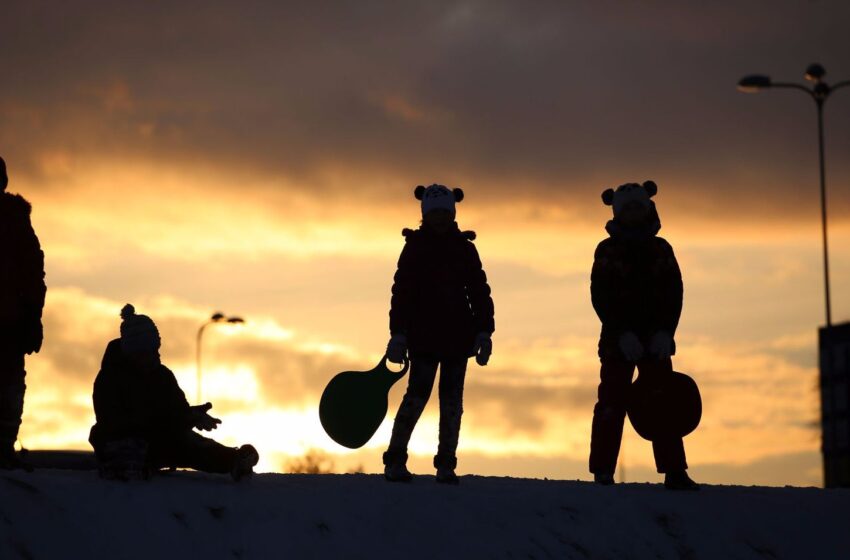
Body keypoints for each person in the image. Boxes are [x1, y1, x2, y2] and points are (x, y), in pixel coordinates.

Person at [589, 180, 698, 491]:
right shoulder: (607, 250)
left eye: (639, 206)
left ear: (648, 208)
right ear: (618, 212)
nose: (634, 213)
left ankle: (674, 470)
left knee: (664, 401)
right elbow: (601, 296)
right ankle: (603, 470)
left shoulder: (661, 249)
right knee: (611, 402)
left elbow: (674, 292)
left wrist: (666, 331)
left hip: (655, 341)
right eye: (628, 208)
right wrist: (621, 333)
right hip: (617, 342)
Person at [383, 184, 495, 484]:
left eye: (446, 212)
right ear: (424, 215)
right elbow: (402, 293)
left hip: (458, 338)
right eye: (435, 213)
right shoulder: (415, 248)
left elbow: (479, 292)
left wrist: (484, 331)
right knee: (416, 397)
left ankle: (446, 463)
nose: (441, 218)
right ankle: (395, 460)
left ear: (453, 212)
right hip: (422, 337)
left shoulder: (464, 249)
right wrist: (398, 334)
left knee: (451, 403)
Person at [89, 304, 259, 481]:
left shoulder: (163, 376)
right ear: (132, 353)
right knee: (132, 446)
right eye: (147, 352)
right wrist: (169, 422)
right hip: (121, 443)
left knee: (187, 442)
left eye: (155, 350)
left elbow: (176, 410)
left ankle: (234, 460)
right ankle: (126, 470)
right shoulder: (110, 378)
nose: (155, 356)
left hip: (158, 440)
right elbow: (114, 422)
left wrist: (191, 416)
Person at [0, 156, 46, 470]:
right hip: (11, 320)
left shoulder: (14, 219)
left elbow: (32, 273)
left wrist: (32, 317)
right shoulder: (15, 218)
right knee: (9, 386)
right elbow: (34, 273)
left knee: (9, 386)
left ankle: (2, 446)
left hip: (9, 322)